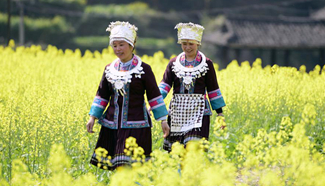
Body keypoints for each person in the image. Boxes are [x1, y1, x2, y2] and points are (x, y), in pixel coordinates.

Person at [86, 21, 169, 170]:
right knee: (118, 168)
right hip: (112, 126)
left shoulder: (144, 69)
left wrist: (163, 120)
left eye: (121, 45)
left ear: (132, 45)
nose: (118, 49)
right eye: (114, 45)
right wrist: (93, 117)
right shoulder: (109, 69)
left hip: (136, 126)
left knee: (129, 167)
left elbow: (154, 96)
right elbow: (102, 95)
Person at [158, 22, 226, 152]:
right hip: (177, 112)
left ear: (198, 44)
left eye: (191, 44)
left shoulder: (207, 64)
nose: (187, 47)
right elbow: (165, 85)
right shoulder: (173, 63)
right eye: (184, 44)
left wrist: (220, 114)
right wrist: (155, 102)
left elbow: (213, 89)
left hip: (199, 113)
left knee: (193, 148)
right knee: (177, 151)